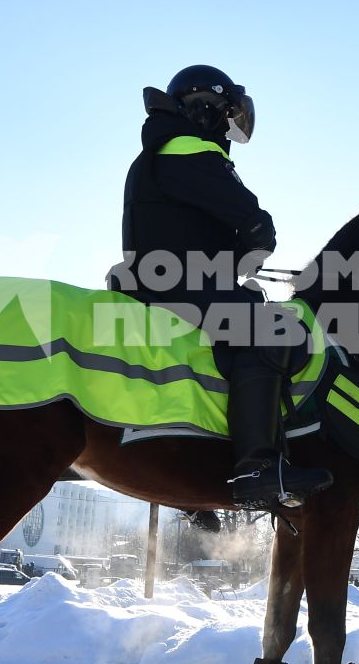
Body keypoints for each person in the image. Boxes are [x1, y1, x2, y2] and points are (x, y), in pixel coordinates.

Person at [112, 65, 331, 511]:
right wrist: (256, 241)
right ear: (205, 109)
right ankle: (257, 468)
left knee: (253, 310)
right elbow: (251, 218)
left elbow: (189, 234)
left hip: (163, 280)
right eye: (225, 114)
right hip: (178, 286)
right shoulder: (189, 149)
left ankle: (199, 486)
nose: (228, 129)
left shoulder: (161, 152)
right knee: (277, 331)